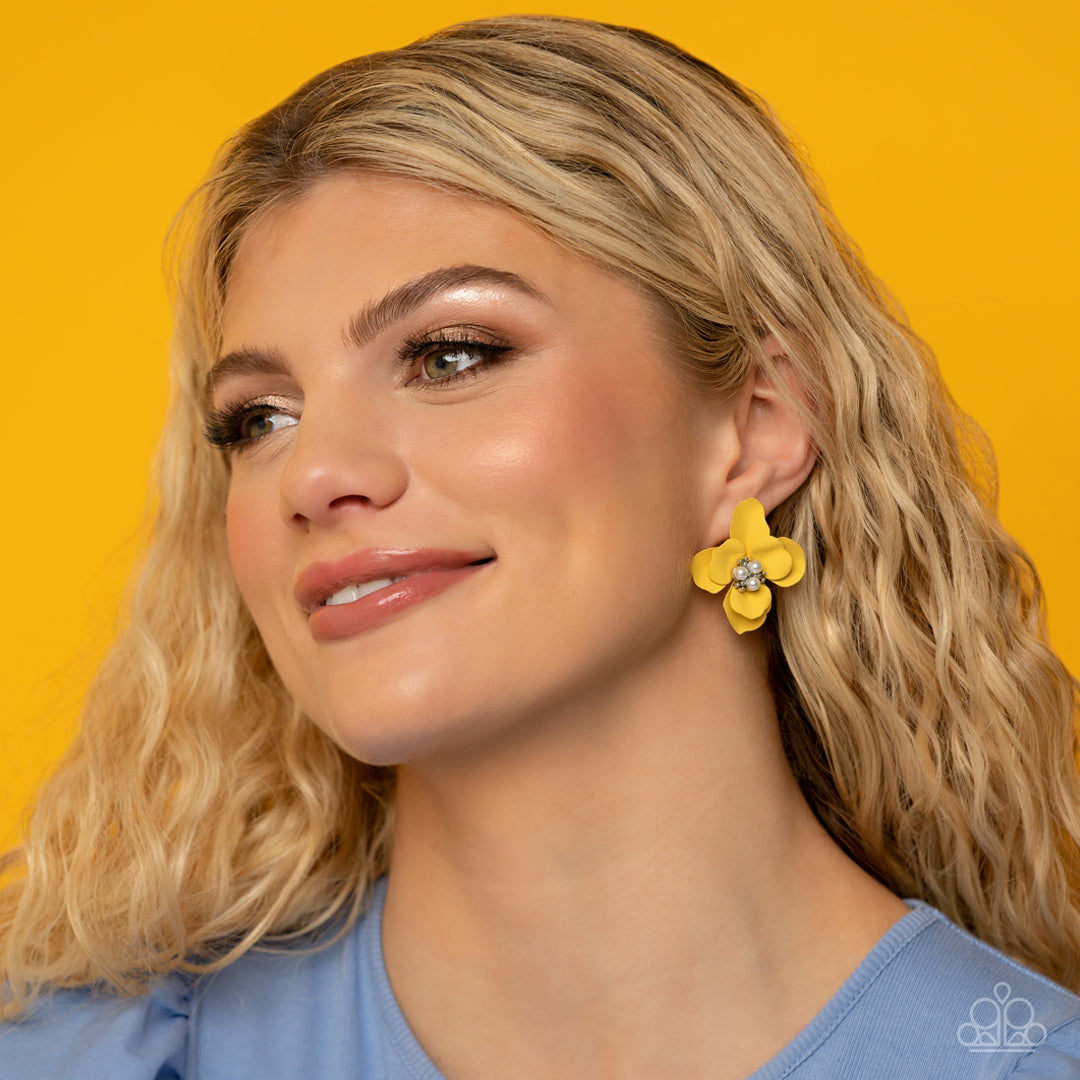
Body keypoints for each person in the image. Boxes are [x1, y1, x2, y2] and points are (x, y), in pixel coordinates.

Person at [2, 14, 1079, 1078]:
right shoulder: (88, 1050)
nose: (314, 475)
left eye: (451, 356)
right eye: (259, 419)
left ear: (756, 432)